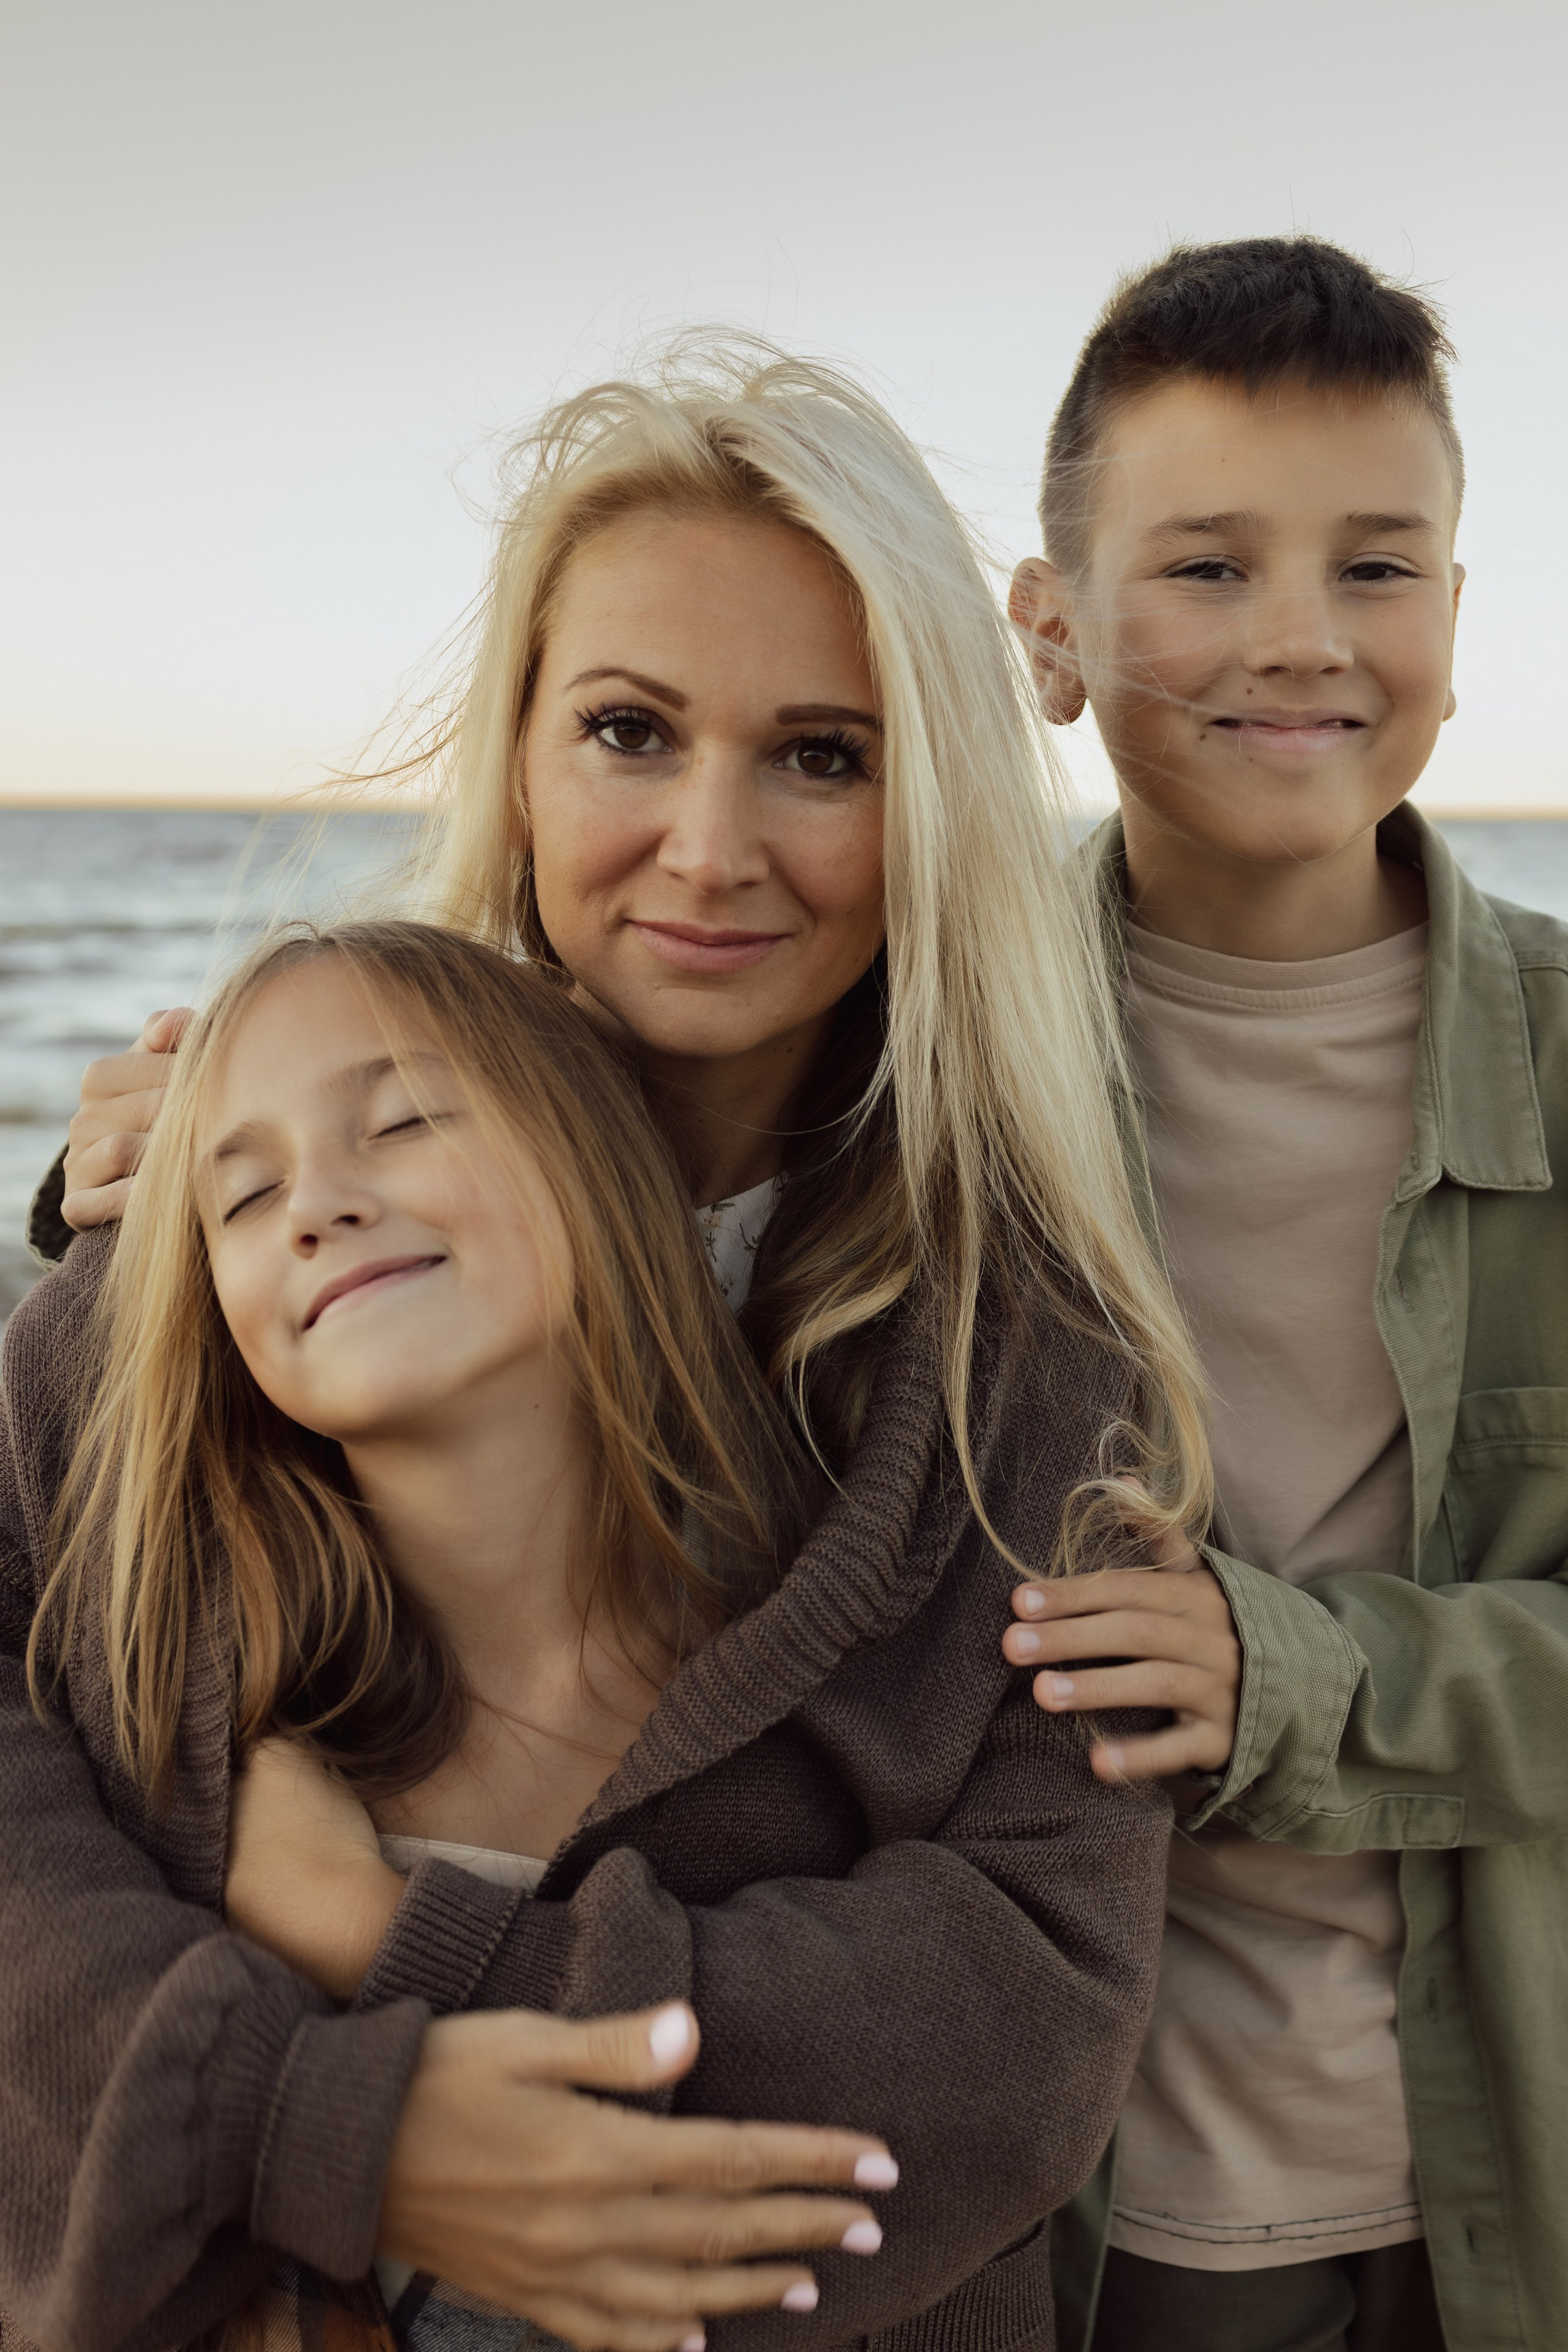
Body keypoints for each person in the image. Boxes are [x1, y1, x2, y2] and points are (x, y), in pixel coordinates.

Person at [5, 340, 1208, 2351]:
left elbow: (1017, 2014)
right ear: (522, 758)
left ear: (930, 796)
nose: (712, 848)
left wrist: (405, 1956)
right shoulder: (238, 1219)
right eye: (632, 732)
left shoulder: (1026, 1369)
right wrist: (317, 2129)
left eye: (823, 753)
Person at [1005, 237, 1568, 2352]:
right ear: (1050, 634)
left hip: (1510, 2179)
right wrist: (200, 1153)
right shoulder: (918, 1065)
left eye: (1381, 568)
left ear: (1455, 621)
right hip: (1100, 2226)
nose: (1306, 643)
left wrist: (1298, 1676)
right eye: (1211, 569)